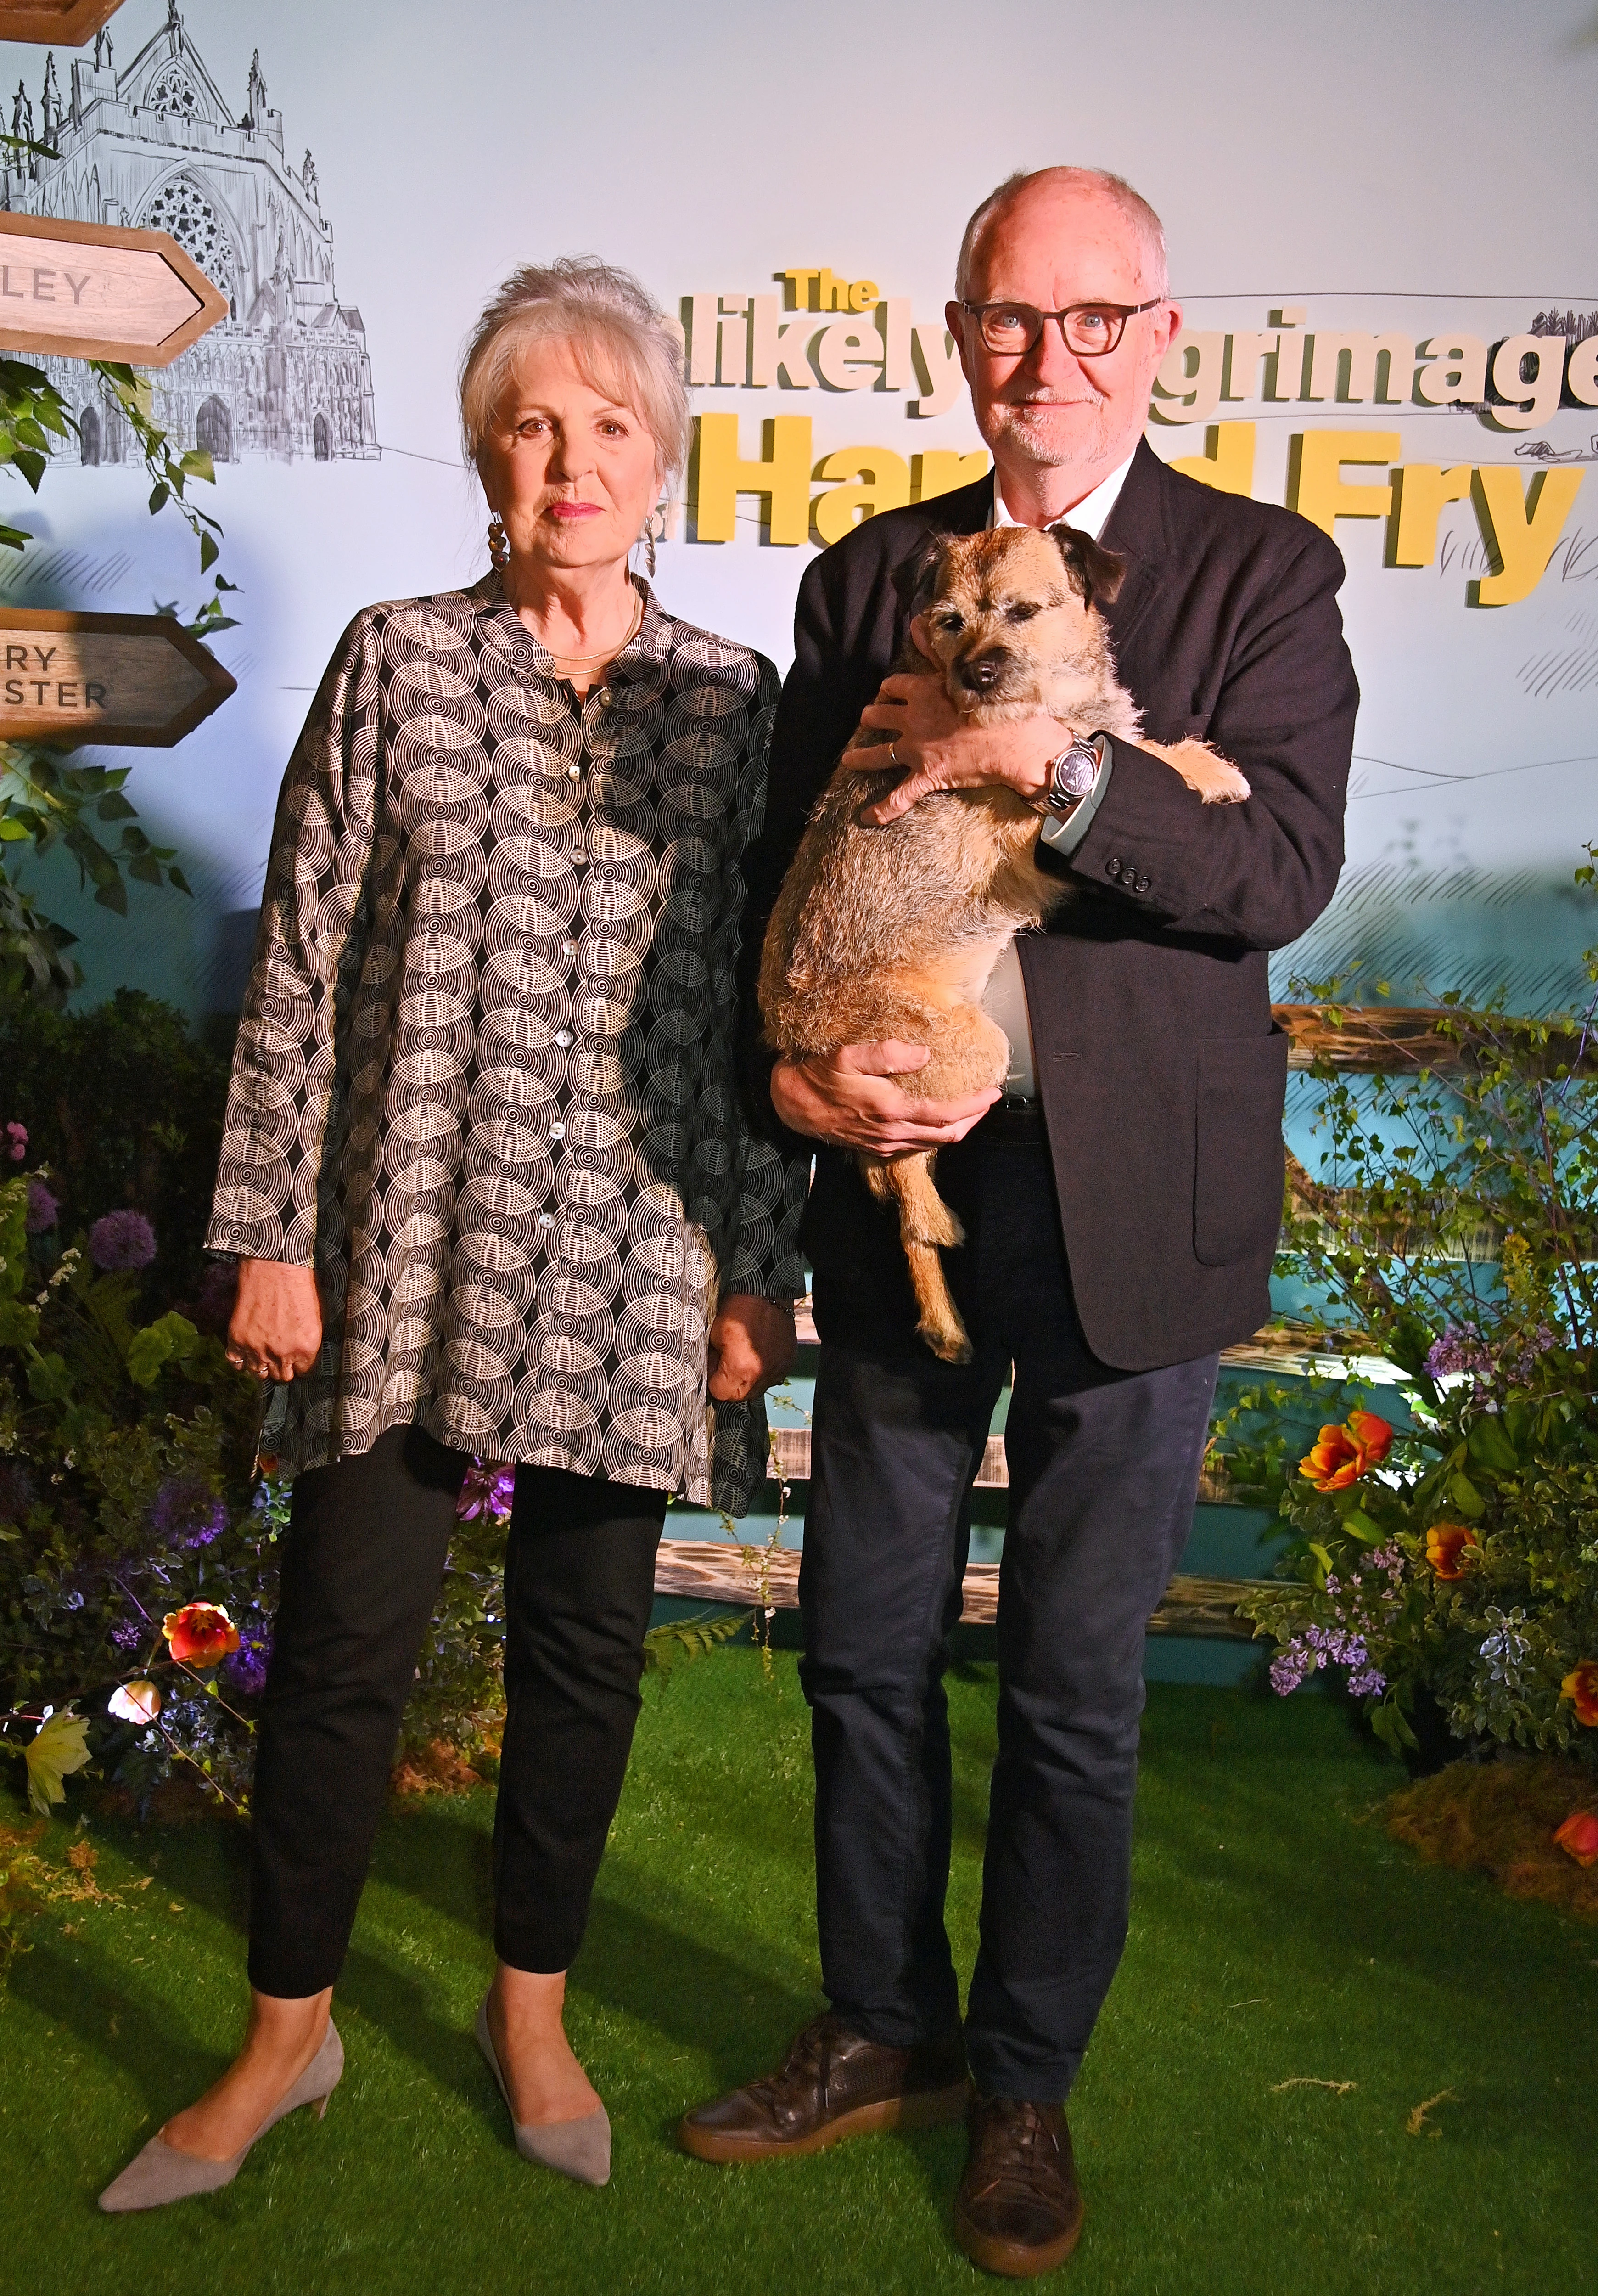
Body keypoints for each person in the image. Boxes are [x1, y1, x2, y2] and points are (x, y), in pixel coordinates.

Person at [679, 167, 1357, 2278]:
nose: (1043, 357)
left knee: (1074, 1682)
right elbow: (783, 874)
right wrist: (787, 1084)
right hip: (905, 1194)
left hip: (1130, 1212)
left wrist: (1048, 765)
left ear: (1160, 334)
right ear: (956, 334)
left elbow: (1276, 874)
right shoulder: (874, 571)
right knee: (864, 1648)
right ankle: (882, 2019)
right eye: (1004, 316)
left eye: (1089, 318)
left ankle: (1027, 2079)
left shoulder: (1262, 572)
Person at [100, 258, 807, 2212]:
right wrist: (267, 1229)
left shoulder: (733, 704)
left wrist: (762, 1267)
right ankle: (282, 2034)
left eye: (606, 424)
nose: (568, 459)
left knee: (586, 1660)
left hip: (636, 1251)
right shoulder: (397, 655)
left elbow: (767, 1015)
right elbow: (305, 961)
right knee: (342, 1652)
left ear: (665, 458)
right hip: (395, 1235)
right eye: (530, 423)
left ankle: (532, 2008)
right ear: (490, 457)